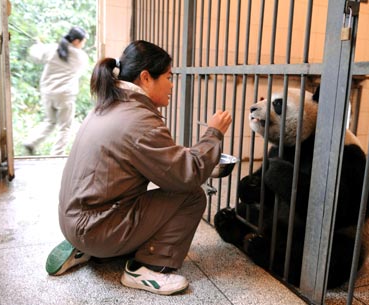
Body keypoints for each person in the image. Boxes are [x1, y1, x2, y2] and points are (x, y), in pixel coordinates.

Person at [45, 40, 232, 296]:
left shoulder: (107, 105)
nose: (172, 84)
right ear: (146, 78)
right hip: (94, 229)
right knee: (191, 196)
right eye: (168, 76)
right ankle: (146, 267)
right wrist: (213, 133)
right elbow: (186, 176)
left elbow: (155, 160)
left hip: (72, 221)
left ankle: (85, 250)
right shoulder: (139, 119)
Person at [24, 26, 89, 155]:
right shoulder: (81, 56)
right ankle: (57, 155)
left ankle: (31, 143)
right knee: (64, 127)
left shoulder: (53, 48)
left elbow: (35, 55)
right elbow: (80, 72)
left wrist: (39, 46)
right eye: (83, 42)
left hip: (47, 93)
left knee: (50, 121)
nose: (83, 45)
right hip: (65, 95)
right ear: (76, 41)